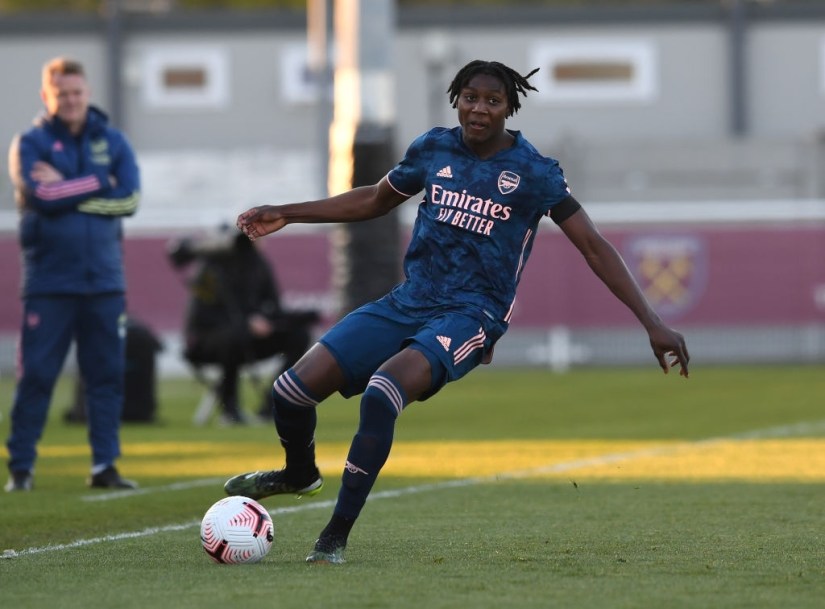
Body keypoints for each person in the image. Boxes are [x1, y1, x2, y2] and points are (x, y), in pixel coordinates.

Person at [224, 60, 690, 563]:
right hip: (409, 299)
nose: (479, 109)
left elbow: (594, 247)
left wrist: (652, 320)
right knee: (290, 392)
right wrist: (288, 212)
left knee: (383, 391)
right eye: (470, 97)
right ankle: (299, 474)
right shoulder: (433, 148)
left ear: (510, 108)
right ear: (456, 99)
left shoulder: (534, 172)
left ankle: (334, 536)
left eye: (492, 101)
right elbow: (375, 200)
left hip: (471, 315)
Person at [5, 57, 141, 492]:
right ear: (47, 96)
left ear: (87, 92)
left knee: (105, 377)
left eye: (77, 92)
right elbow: (41, 194)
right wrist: (99, 179)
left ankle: (105, 466)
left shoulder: (113, 140)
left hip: (104, 282)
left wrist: (72, 185)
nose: (70, 100)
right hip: (49, 283)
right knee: (37, 376)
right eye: (61, 93)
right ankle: (21, 468)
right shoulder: (30, 142)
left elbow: (131, 199)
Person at [168, 226, 319, 424]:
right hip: (207, 341)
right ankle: (230, 412)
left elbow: (273, 307)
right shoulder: (213, 264)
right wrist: (247, 322)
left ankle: (274, 405)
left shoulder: (260, 264)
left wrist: (270, 321)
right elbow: (203, 316)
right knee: (234, 337)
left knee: (299, 335)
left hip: (248, 338)